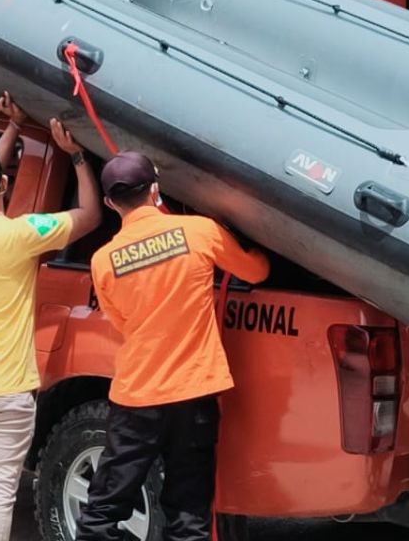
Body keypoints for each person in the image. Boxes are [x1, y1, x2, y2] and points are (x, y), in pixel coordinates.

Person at [0, 94, 102, 541]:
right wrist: (78, 156)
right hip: (6, 390)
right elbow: (89, 215)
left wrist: (11, 128)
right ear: (5, 185)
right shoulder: (23, 234)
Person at [76, 152, 270, 541]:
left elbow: (121, 321)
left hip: (137, 398)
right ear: (156, 190)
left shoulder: (102, 261)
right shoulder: (199, 232)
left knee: (103, 508)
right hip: (193, 394)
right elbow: (255, 272)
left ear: (112, 203)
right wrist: (259, 248)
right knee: (188, 513)